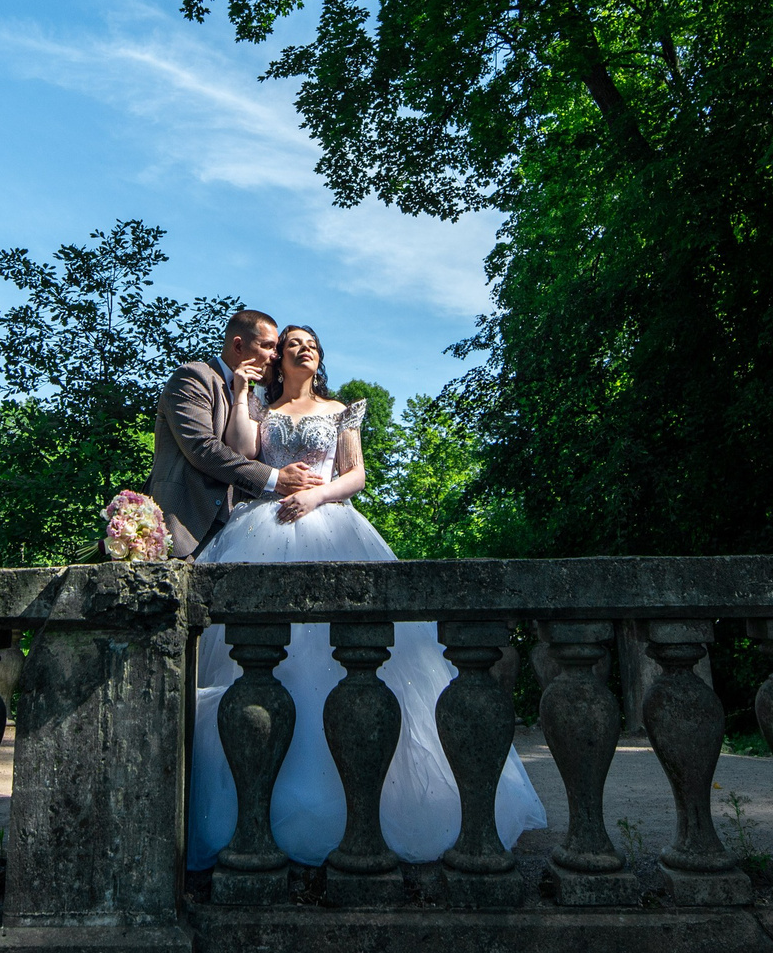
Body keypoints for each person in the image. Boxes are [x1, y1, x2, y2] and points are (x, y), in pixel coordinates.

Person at [184, 323, 547, 869]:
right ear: (278, 359)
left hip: (330, 524)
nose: (304, 349)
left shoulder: (342, 410)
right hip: (262, 529)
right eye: (292, 345)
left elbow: (356, 474)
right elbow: (240, 453)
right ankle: (267, 800)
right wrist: (240, 395)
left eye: (311, 345)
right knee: (263, 668)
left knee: (339, 658)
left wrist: (316, 497)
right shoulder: (262, 410)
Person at [148, 307, 325, 559]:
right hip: (183, 526)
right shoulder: (194, 378)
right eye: (268, 346)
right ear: (239, 346)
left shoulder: (255, 398)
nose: (275, 356)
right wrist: (275, 478)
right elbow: (202, 449)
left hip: (236, 531)